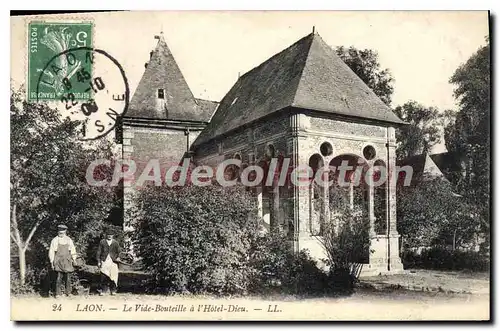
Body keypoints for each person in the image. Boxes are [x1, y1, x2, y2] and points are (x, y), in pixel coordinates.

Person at [48, 224, 77, 298]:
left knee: (68, 278)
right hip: (58, 261)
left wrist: (74, 259)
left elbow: (73, 250)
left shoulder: (68, 240)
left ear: (65, 231)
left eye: (63, 231)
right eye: (60, 231)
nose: (61, 232)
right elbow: (51, 252)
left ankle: (68, 292)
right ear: (58, 231)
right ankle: (58, 293)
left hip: (67, 261)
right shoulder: (55, 240)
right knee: (58, 278)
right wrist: (52, 262)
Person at [96, 230, 120, 295]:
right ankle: (104, 290)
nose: (109, 236)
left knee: (113, 275)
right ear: (106, 235)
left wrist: (117, 257)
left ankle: (113, 290)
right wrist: (98, 261)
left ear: (113, 236)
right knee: (104, 275)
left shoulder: (115, 243)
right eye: (108, 235)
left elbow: (119, 252)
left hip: (113, 261)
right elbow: (99, 252)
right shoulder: (102, 242)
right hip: (104, 260)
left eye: (111, 235)